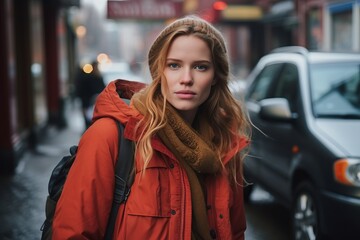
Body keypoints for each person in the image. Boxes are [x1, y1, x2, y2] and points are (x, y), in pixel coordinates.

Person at [53, 15, 250, 239]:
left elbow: (235, 232)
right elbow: (72, 233)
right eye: (174, 65)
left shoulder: (224, 146)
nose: (186, 78)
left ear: (215, 76)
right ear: (159, 71)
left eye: (200, 67)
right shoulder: (109, 136)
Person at [75, 60, 106, 129]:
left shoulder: (98, 77)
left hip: (96, 102)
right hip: (89, 102)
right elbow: (83, 91)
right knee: (89, 120)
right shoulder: (88, 77)